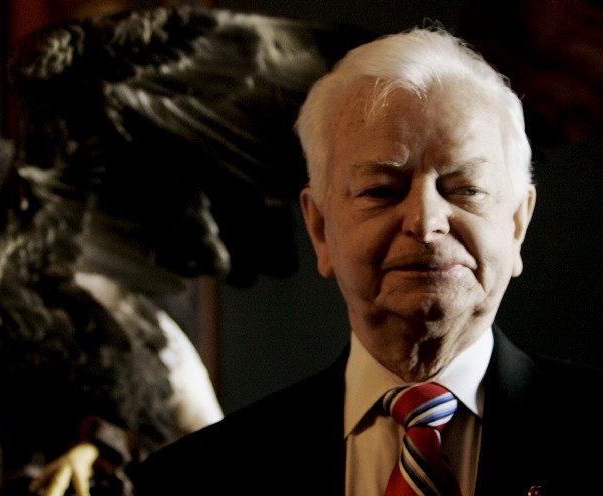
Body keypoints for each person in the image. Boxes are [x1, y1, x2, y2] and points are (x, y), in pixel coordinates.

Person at [132, 25, 603, 495]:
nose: (425, 221)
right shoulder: (192, 480)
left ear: (517, 224)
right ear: (319, 229)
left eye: (465, 189)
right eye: (381, 190)